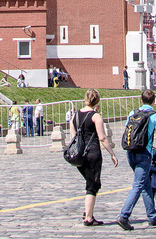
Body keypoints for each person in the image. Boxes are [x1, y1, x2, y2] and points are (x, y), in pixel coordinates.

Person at [117, 89, 156, 229]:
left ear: (141, 100)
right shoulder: (155, 116)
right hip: (144, 153)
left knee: (145, 184)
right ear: (154, 101)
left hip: (131, 152)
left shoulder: (133, 113)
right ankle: (124, 216)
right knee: (138, 184)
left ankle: (152, 216)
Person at [69, 88, 118, 227]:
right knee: (92, 185)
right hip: (92, 154)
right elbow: (102, 137)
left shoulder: (75, 116)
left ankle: (87, 210)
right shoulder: (96, 116)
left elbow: (73, 138)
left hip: (79, 156)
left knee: (93, 183)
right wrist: (112, 154)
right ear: (97, 101)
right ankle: (88, 217)